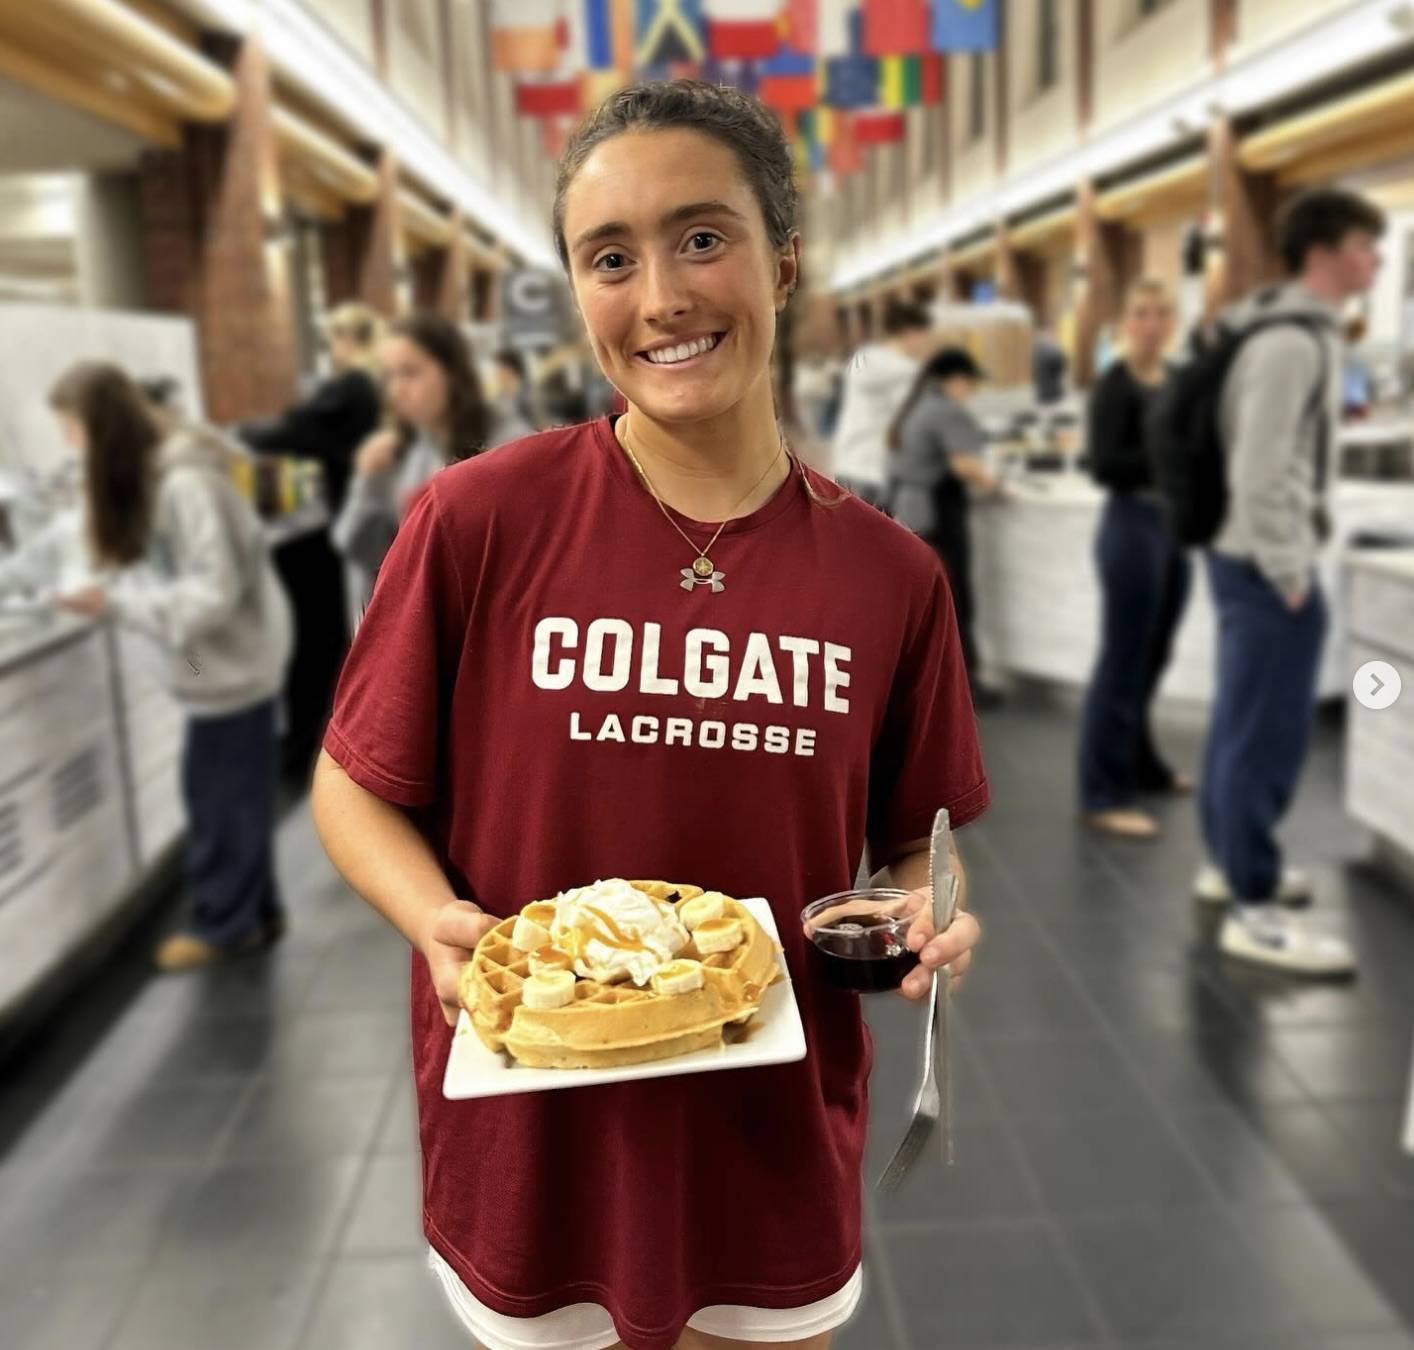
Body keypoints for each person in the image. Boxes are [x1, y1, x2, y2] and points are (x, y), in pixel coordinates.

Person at [310, 79, 986, 1350]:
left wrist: (923, 911)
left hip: (765, 1134)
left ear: (783, 262)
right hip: (535, 1125)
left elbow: (920, 835)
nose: (662, 296)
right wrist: (436, 925)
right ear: (577, 291)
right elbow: (354, 782)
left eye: (702, 237)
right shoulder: (479, 518)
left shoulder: (889, 575)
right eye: (609, 258)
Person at [47, 363, 293, 972]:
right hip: (218, 672)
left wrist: (117, 603)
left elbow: (213, 592)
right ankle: (258, 911)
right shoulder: (165, 479)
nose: (68, 444)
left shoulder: (187, 485)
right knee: (235, 798)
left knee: (219, 802)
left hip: (229, 674)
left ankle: (224, 923)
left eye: (72, 428)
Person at [1198, 188, 1384, 976]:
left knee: (1242, 727)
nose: (1375, 258)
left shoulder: (1282, 329)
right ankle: (1255, 908)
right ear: (1325, 252)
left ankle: (1233, 865)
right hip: (1266, 567)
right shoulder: (1292, 343)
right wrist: (1288, 571)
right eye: (1364, 244)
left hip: (1248, 560)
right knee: (1265, 738)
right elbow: (1262, 469)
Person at [1077, 279, 1193, 839]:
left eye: (1161, 313)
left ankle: (1142, 765)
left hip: (1172, 525)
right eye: (1141, 313)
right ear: (1127, 323)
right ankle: (1102, 791)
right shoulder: (1115, 387)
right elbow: (1105, 464)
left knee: (1154, 655)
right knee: (1124, 660)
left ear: (1172, 322)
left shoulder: (1176, 382)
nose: (1152, 323)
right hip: (1132, 525)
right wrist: (1167, 454)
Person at [331, 312, 498, 609]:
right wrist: (367, 480)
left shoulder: (505, 443)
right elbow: (355, 546)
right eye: (389, 376)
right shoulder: (406, 451)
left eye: (410, 373)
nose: (397, 390)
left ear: (451, 373)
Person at [887, 347, 1004, 709]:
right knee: (955, 599)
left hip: (910, 510)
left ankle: (927, 687)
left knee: (927, 601)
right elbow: (966, 465)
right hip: (936, 511)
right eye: (969, 382)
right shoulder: (945, 411)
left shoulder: (915, 405)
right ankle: (965, 685)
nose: (970, 391)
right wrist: (1000, 486)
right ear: (954, 379)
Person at [238, 302, 384, 515]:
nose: (331, 351)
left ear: (348, 340)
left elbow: (298, 428)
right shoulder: (373, 381)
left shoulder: (351, 385)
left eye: (330, 342)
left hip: (350, 497)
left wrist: (243, 434)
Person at [830, 298, 933, 507]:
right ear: (911, 332)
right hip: (876, 471)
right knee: (880, 537)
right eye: (924, 335)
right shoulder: (907, 372)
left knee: (850, 534)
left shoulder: (862, 357)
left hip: (848, 463)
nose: (925, 343)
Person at [491, 347, 541, 435]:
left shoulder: (527, 392)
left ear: (511, 368)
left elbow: (539, 421)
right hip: (505, 442)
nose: (497, 373)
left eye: (500, 368)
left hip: (525, 439)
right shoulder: (500, 396)